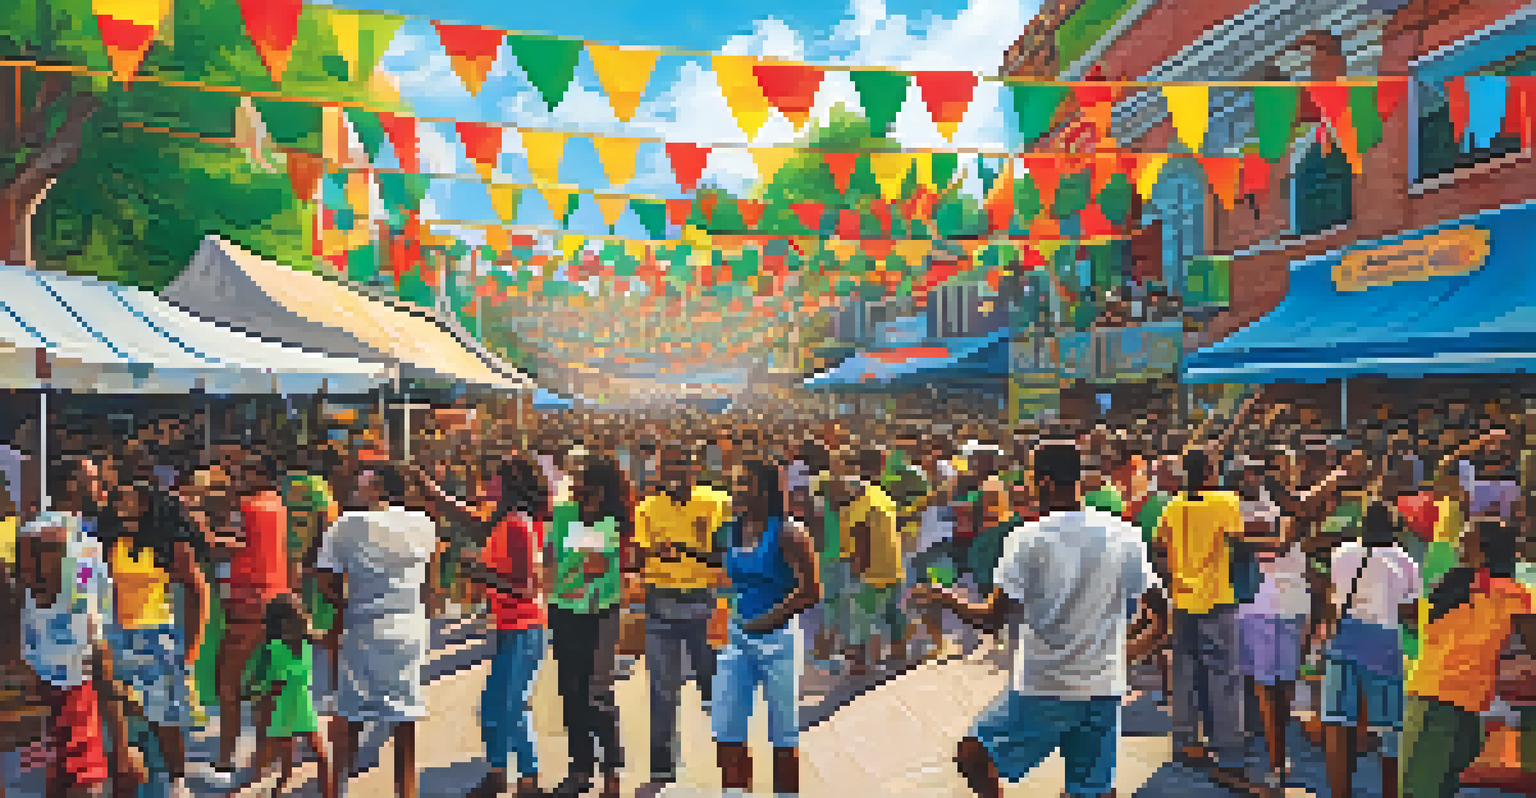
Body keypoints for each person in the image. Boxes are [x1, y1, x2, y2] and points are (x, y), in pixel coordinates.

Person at [912, 443, 1167, 798]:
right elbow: (1162, 615)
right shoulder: (1123, 533)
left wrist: (944, 597)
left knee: (973, 754)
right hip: (1103, 688)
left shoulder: (1027, 539)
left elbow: (991, 620)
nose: (1026, 485)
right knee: (1092, 788)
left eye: (1030, 476)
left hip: (1046, 686)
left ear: (1044, 482)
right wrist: (1127, 653)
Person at [315, 463, 437, 798]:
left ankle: (337, 789)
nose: (356, 488)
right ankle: (406, 791)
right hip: (409, 628)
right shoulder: (423, 523)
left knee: (350, 713)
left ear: (380, 488)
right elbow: (430, 582)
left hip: (363, 627)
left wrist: (347, 605)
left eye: (362, 482)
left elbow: (325, 581)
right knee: (404, 716)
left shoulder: (346, 525)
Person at [1401, 519, 1536, 798]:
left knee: (1418, 788)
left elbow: (1413, 619)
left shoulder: (1456, 583)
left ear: (1483, 552)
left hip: (1433, 698)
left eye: (1465, 543)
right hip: (1471, 705)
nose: (1458, 548)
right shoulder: (1519, 595)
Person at [709, 459, 821, 796]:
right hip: (737, 639)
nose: (738, 490)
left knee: (783, 735)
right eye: (736, 482)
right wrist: (720, 613)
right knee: (726, 730)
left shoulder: (789, 533)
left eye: (746, 483)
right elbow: (725, 578)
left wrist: (770, 618)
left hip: (780, 642)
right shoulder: (730, 530)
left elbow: (811, 591)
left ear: (767, 489)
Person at [16, 463, 128, 798]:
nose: (102, 485)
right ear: (69, 485)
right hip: (68, 669)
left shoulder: (67, 533)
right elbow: (71, 604)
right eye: (93, 479)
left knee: (62, 775)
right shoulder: (57, 535)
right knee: (84, 781)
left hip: (62, 666)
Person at [98, 471, 211, 798]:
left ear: (148, 504)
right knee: (123, 722)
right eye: (120, 499)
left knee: (165, 720)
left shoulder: (167, 544)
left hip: (158, 638)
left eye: (131, 499)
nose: (124, 505)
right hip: (117, 639)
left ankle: (178, 785)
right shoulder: (107, 543)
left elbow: (198, 591)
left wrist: (191, 651)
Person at [632, 442, 731, 789]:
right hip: (660, 603)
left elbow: (726, 550)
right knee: (662, 689)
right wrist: (652, 552)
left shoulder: (717, 502)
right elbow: (638, 555)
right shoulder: (647, 508)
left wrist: (690, 552)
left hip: (705, 603)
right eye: (669, 465)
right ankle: (662, 765)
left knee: (714, 685)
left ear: (694, 467)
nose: (675, 471)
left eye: (682, 463)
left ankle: (731, 754)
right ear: (659, 470)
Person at [1155, 448, 1251, 775]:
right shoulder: (1226, 501)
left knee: (1185, 674)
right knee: (1223, 675)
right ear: (1210, 471)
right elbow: (1239, 540)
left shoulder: (1173, 505)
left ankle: (1186, 741)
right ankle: (1227, 745)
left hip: (1182, 599)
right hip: (1217, 597)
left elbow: (1159, 545)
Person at [1319, 502, 1420, 798]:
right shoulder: (1406, 562)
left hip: (1344, 641)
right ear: (1395, 528)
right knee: (1389, 730)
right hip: (1384, 646)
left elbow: (1332, 596)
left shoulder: (1342, 553)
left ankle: (1340, 793)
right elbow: (1410, 613)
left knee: (1338, 723)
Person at [546, 454, 630, 798]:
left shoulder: (615, 520)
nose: (576, 483)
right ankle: (580, 770)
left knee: (598, 693)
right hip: (564, 612)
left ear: (600, 486)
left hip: (600, 615)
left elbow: (592, 566)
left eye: (583, 478)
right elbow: (553, 557)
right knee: (570, 694)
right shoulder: (562, 513)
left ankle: (611, 773)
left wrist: (570, 568)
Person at [212, 453, 289, 780]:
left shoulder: (245, 508)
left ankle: (226, 757)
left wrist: (202, 534)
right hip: (276, 600)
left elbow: (232, 543)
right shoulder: (278, 506)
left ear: (261, 475)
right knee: (268, 686)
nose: (239, 477)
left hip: (246, 602)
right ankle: (264, 759)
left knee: (227, 684)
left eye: (245, 472)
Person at [233, 592, 331, 798]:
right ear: (283, 623)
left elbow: (333, 637)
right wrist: (267, 689)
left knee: (322, 757)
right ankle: (248, 791)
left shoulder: (308, 644)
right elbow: (249, 685)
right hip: (281, 710)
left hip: (304, 708)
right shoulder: (271, 649)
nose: (303, 618)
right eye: (297, 615)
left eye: (303, 613)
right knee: (282, 765)